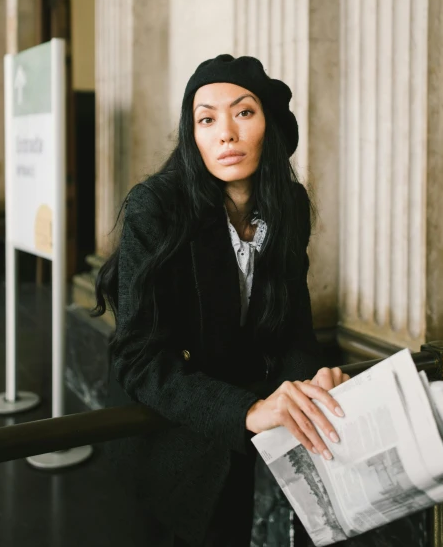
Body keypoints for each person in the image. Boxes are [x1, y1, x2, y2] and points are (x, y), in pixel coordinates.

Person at [92, 54, 350, 547]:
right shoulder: (158, 207)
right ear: (193, 136)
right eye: (206, 119)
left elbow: (292, 326)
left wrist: (310, 381)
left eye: (243, 112)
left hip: (240, 431)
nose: (225, 133)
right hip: (166, 431)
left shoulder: (288, 206)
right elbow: (139, 359)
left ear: (269, 126)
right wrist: (245, 411)